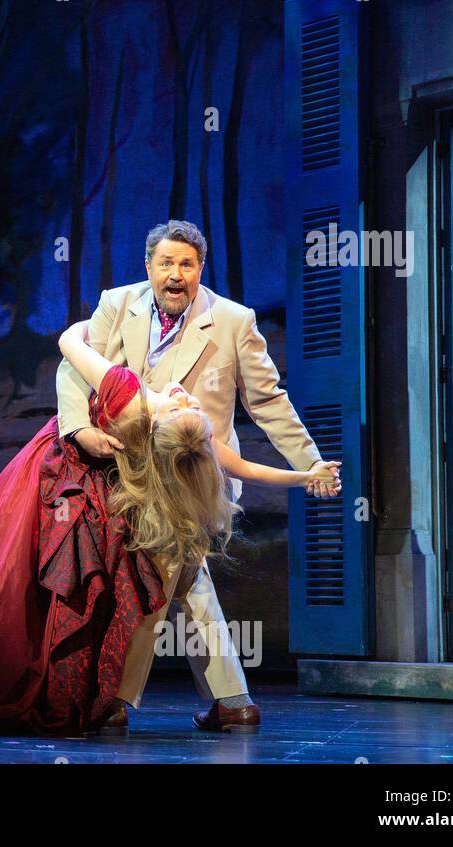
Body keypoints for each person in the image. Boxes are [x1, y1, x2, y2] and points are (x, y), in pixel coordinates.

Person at [0, 320, 339, 735]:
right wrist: (306, 476)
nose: (186, 394)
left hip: (59, 468)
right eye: (190, 403)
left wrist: (89, 331)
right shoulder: (174, 432)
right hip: (77, 474)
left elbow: (69, 340)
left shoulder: (133, 393)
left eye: (182, 404)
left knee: (20, 555)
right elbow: (246, 469)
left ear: (163, 427)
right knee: (14, 548)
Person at [55, 219, 341, 733]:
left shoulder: (232, 320)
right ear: (149, 266)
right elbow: (76, 371)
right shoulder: (117, 304)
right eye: (165, 263)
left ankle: (120, 700)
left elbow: (268, 402)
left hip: (194, 476)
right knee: (170, 580)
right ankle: (228, 701)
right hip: (127, 474)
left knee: (167, 573)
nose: (175, 274)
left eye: (186, 265)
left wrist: (308, 464)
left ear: (200, 269)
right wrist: (76, 430)